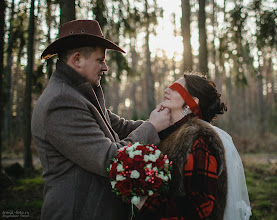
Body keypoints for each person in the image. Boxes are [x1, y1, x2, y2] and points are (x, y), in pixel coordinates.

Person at [31, 20, 171, 220]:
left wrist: (167, 123)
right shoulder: (61, 102)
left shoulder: (79, 95)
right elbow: (111, 159)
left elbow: (122, 127)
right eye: (100, 60)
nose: (105, 67)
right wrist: (152, 126)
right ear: (77, 60)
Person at [135, 73, 251, 220]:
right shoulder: (166, 134)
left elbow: (200, 207)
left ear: (192, 104)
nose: (166, 90)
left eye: (175, 88)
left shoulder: (199, 140)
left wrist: (148, 203)